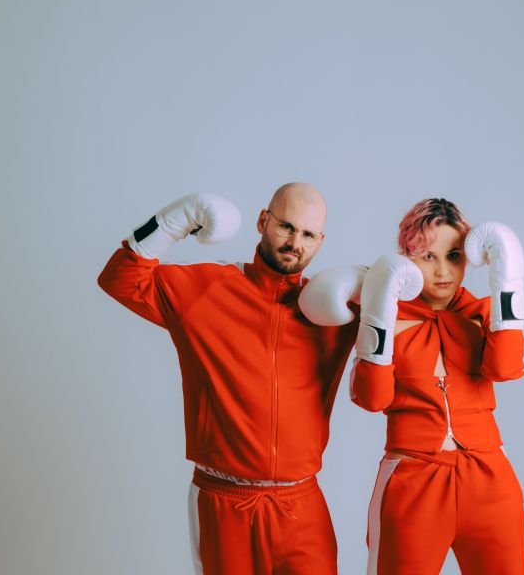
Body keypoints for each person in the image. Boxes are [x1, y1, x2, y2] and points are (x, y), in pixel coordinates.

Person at [97, 183, 359, 575]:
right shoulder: (206, 288)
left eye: (308, 234)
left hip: (301, 505)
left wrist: (371, 279)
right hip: (224, 500)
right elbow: (119, 278)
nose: (295, 243)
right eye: (286, 227)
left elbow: (414, 313)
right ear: (262, 221)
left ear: (320, 241)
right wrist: (175, 220)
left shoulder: (333, 310)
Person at [301, 198, 524, 574]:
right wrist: (379, 314)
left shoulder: (483, 314)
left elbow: (505, 367)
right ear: (406, 258)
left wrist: (509, 282)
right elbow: (373, 398)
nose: (443, 271)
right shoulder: (386, 313)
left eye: (454, 256)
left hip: (490, 478)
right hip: (413, 478)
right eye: (427, 257)